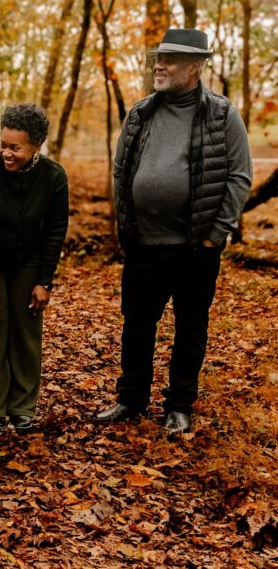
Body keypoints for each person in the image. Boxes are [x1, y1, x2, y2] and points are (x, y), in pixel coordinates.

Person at [95, 28, 252, 434]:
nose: (159, 65)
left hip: (195, 247)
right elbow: (120, 170)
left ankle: (179, 405)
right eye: (158, 58)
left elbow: (239, 177)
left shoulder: (220, 114)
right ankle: (131, 399)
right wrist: (125, 225)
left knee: (189, 327)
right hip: (144, 243)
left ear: (195, 66)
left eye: (171, 59)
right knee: (137, 323)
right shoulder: (141, 113)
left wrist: (214, 234)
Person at [0, 104, 69, 434]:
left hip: (30, 263)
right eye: (3, 145)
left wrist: (45, 281)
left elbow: (55, 230)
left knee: (26, 332)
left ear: (36, 145)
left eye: (15, 147)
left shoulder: (53, 176)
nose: (6, 153)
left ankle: (23, 406)